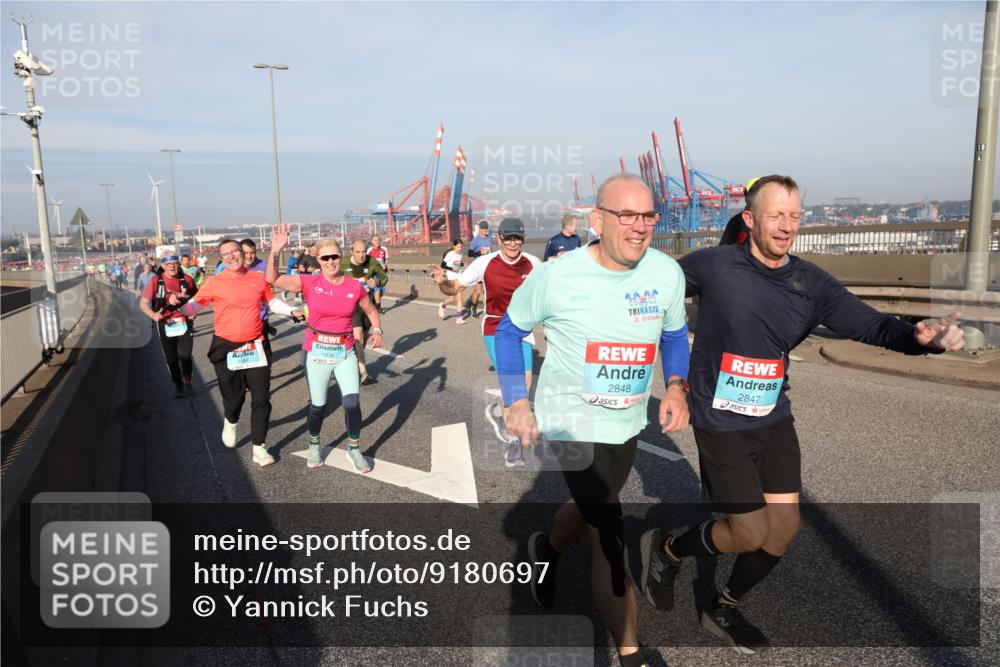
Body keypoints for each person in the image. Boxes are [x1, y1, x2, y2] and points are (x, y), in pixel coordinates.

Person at [637, 174, 966, 655]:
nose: (787, 226)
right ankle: (666, 550)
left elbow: (871, 324)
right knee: (747, 532)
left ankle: (723, 603)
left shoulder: (811, 283)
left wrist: (918, 337)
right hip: (720, 418)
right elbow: (650, 290)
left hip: (772, 418)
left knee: (783, 530)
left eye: (794, 215)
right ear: (750, 220)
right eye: (776, 215)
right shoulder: (714, 265)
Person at [499, 174, 690, 667]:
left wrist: (674, 385)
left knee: (587, 511)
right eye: (627, 215)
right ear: (599, 219)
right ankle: (630, 655)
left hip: (625, 423)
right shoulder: (555, 276)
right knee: (609, 527)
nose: (640, 226)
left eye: (648, 215)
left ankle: (547, 548)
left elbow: (673, 335)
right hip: (569, 423)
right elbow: (509, 331)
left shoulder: (666, 273)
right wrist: (518, 400)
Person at [168, 238, 298, 467]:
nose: (231, 256)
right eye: (225, 254)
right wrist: (177, 304)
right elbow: (194, 307)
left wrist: (292, 311)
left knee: (261, 398)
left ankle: (259, 448)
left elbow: (272, 302)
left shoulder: (257, 278)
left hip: (256, 345)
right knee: (234, 397)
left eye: (234, 251)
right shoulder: (215, 282)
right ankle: (231, 420)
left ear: (243, 253)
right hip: (227, 347)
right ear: (222, 258)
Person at [266, 224, 384, 472]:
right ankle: (314, 445)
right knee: (318, 406)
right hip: (317, 352)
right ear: (318, 260)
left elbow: (371, 310)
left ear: (341, 257)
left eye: (334, 256)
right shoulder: (309, 282)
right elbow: (272, 279)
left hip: (345, 352)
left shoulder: (353, 286)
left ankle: (354, 449)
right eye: (325, 257)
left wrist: (377, 330)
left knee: (352, 403)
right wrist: (275, 251)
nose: (331, 261)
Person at [431, 217, 542, 467]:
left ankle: (497, 413)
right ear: (499, 238)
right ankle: (514, 447)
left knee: (521, 387)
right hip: (496, 328)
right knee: (516, 388)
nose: (513, 243)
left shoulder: (533, 263)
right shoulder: (485, 263)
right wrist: (442, 283)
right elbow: (454, 288)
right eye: (508, 238)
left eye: (518, 238)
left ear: (523, 239)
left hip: (522, 329)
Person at [138, 255, 198, 397]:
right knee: (171, 359)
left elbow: (198, 297)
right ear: (163, 266)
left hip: (184, 323)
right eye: (168, 264)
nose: (172, 267)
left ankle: (188, 380)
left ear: (179, 265)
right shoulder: (155, 282)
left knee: (186, 355)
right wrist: (153, 315)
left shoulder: (187, 280)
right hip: (165, 324)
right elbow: (142, 303)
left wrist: (193, 311)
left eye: (175, 264)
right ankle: (178, 384)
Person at [343, 240, 388, 385]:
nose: (362, 255)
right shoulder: (343, 264)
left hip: (367, 306)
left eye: (364, 251)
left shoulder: (372, 262)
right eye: (358, 252)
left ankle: (353, 362)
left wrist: (377, 283)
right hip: (351, 306)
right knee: (358, 337)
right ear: (351, 252)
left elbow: (384, 277)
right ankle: (364, 373)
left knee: (362, 342)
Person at [466, 220, 493, 317]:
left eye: (487, 229)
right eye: (484, 229)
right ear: (480, 230)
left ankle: (490, 310)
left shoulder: (489, 237)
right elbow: (469, 253)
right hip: (479, 268)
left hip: (488, 267)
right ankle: (473, 306)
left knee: (490, 289)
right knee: (478, 290)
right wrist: (479, 253)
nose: (486, 231)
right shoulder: (476, 240)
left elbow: (490, 249)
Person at [437, 239, 468, 324]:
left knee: (460, 298)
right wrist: (452, 269)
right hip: (450, 278)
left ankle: (459, 318)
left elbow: (457, 263)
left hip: (458, 278)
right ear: (454, 246)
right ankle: (442, 305)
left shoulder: (461, 254)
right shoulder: (450, 254)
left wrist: (463, 265)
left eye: (461, 246)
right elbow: (442, 265)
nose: (460, 248)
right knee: (451, 299)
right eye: (458, 246)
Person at [367, 234, 389, 314]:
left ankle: (375, 301)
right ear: (372, 241)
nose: (377, 241)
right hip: (373, 273)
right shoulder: (369, 250)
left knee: (382, 291)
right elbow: (366, 261)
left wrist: (385, 265)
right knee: (377, 288)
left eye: (379, 240)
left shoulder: (384, 249)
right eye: (375, 240)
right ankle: (378, 306)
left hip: (382, 273)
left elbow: (387, 259)